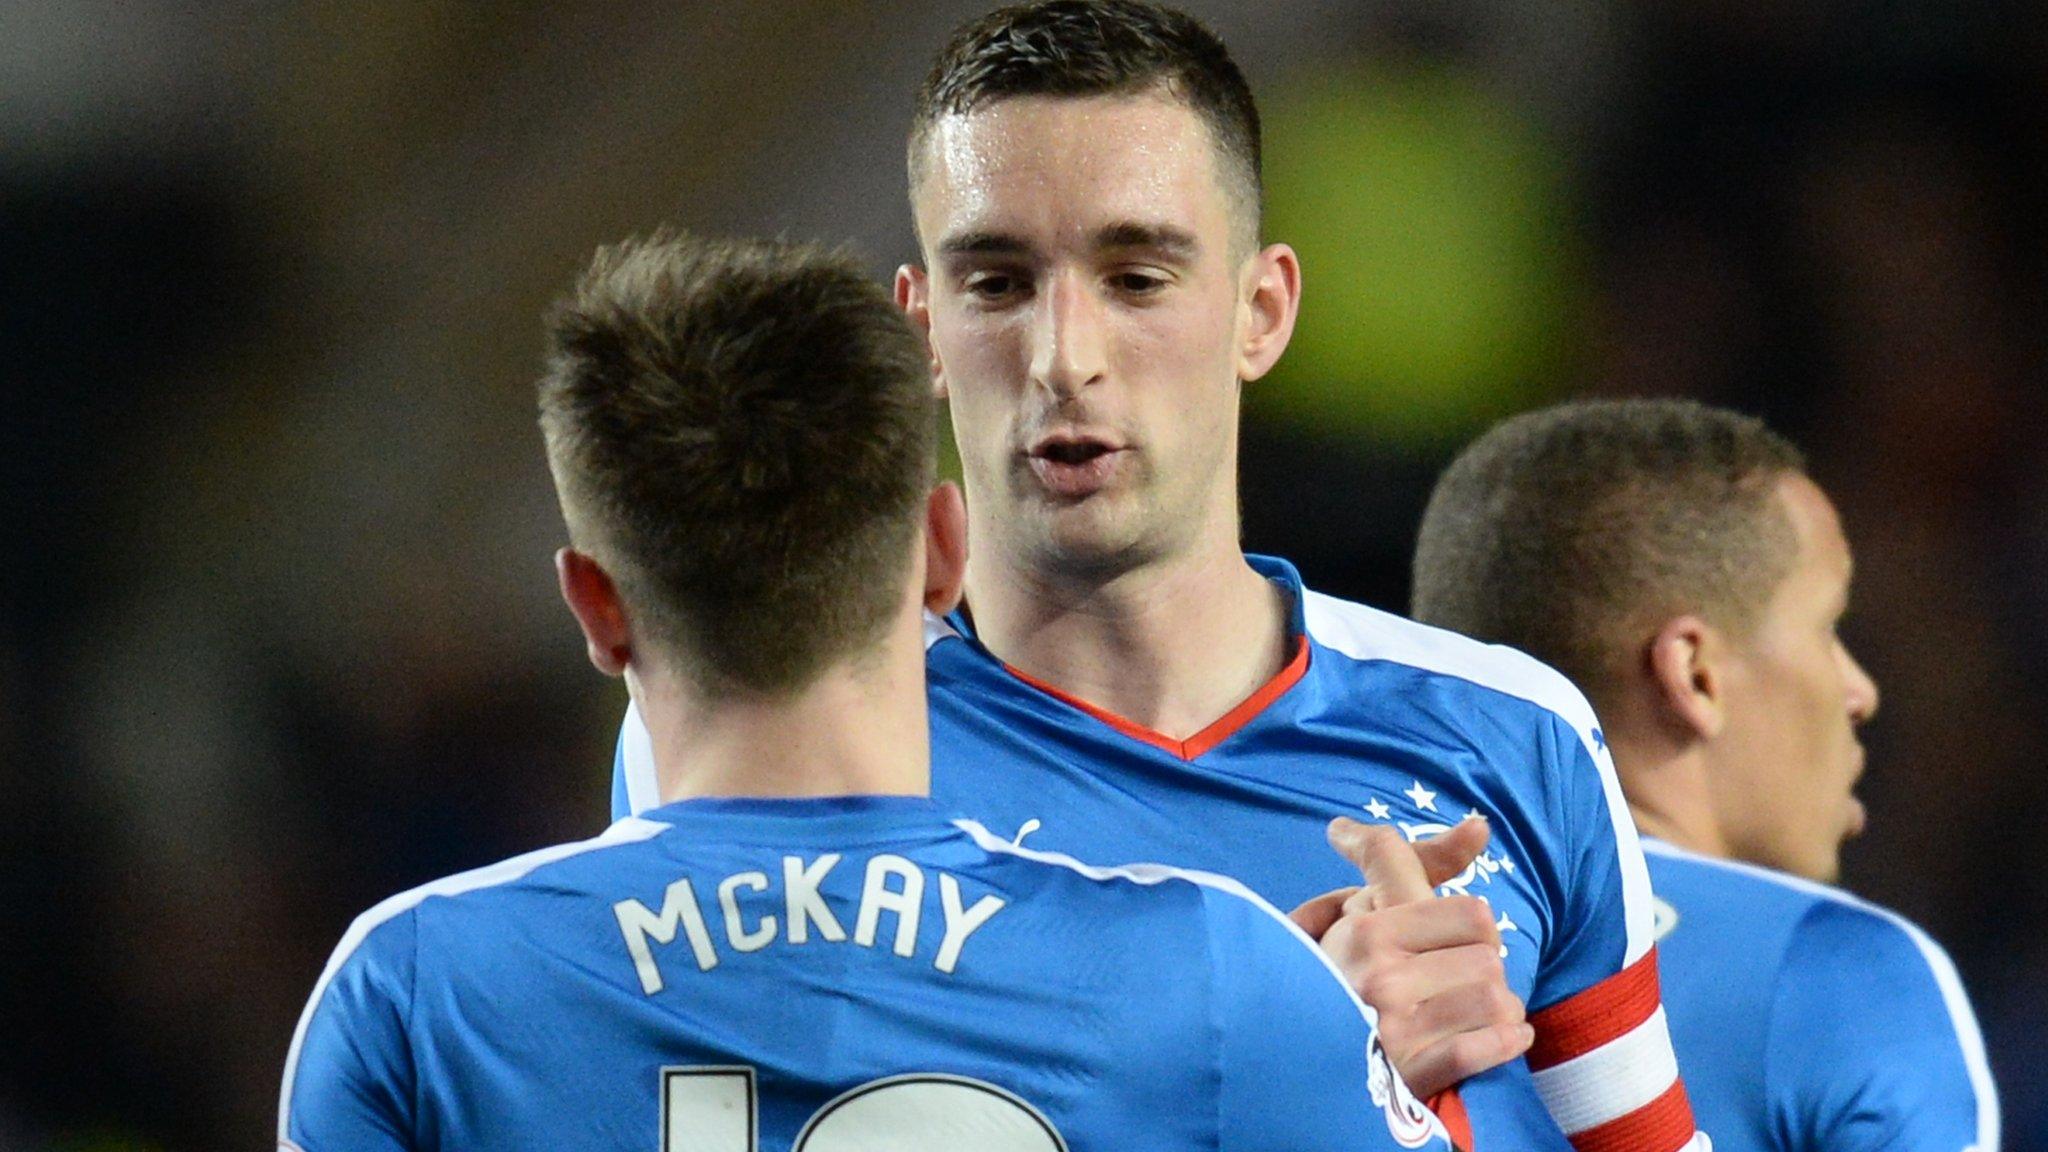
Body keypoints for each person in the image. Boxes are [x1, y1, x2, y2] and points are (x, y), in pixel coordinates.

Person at [611, 6, 1702, 1150]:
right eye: (996, 283)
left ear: (1259, 312)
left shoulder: (1514, 737)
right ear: (920, 328)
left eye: (1135, 279)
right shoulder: (763, 745)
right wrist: (1286, 1052)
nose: (1062, 356)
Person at [278, 230, 1452, 1152]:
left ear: (594, 605)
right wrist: (1329, 1052)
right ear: (945, 552)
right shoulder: (1208, 974)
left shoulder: (418, 995)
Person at [1411, 398, 2000, 1152]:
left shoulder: (1318, 947)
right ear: (1696, 675)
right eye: (1829, 627)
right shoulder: (1841, 976)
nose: (1861, 691)